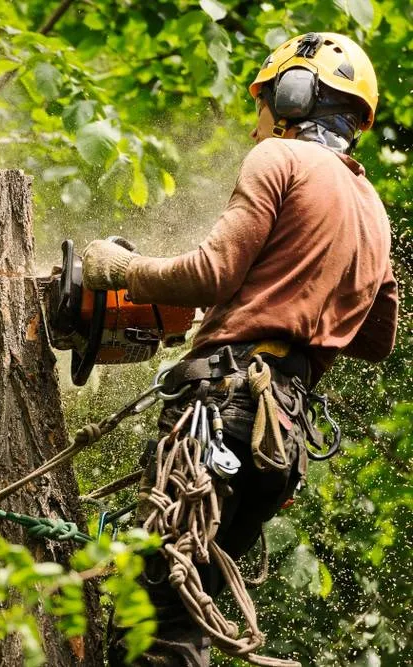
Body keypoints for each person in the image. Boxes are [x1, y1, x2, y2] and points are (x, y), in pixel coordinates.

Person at [83, 32, 399, 666]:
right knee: (177, 601)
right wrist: (272, 303)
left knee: (160, 622)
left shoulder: (278, 160)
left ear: (294, 95)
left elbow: (210, 272)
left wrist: (119, 268)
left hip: (221, 412)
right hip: (277, 436)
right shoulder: (370, 206)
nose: (256, 128)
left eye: (261, 108)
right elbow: (376, 337)